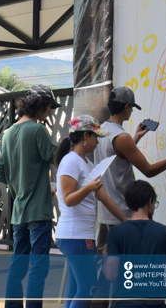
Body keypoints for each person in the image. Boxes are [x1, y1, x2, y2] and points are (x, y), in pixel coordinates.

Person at [95, 87, 166, 250]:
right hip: (124, 213)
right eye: (132, 108)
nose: (131, 112)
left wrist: (136, 138)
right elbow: (149, 170)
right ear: (126, 107)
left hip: (107, 211)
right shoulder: (122, 137)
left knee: (115, 267)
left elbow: (115, 159)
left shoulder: (101, 131)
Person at [0, 85, 60, 308]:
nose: (50, 112)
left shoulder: (7, 134)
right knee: (39, 267)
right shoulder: (37, 130)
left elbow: (0, 173)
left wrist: (20, 183)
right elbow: (55, 157)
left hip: (19, 212)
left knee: (18, 265)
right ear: (40, 105)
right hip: (38, 211)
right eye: (50, 107)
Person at [55, 115, 127, 308]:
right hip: (75, 236)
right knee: (87, 287)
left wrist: (125, 221)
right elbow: (68, 199)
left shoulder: (86, 164)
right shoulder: (71, 161)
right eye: (96, 137)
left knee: (76, 287)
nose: (97, 142)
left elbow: (104, 197)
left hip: (78, 236)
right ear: (86, 136)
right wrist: (88, 188)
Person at [103, 180, 166, 308]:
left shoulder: (116, 233)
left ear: (129, 203)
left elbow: (111, 276)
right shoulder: (165, 232)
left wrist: (105, 255)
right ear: (150, 201)